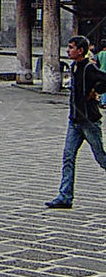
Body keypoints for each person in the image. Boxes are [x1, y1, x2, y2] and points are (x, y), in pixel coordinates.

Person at [45, 36, 106, 209]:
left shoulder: (89, 67)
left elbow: (104, 80)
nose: (68, 50)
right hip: (74, 121)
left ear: (80, 50)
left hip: (89, 122)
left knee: (102, 159)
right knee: (68, 157)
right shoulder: (75, 66)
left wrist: (97, 90)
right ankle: (65, 196)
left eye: (71, 48)